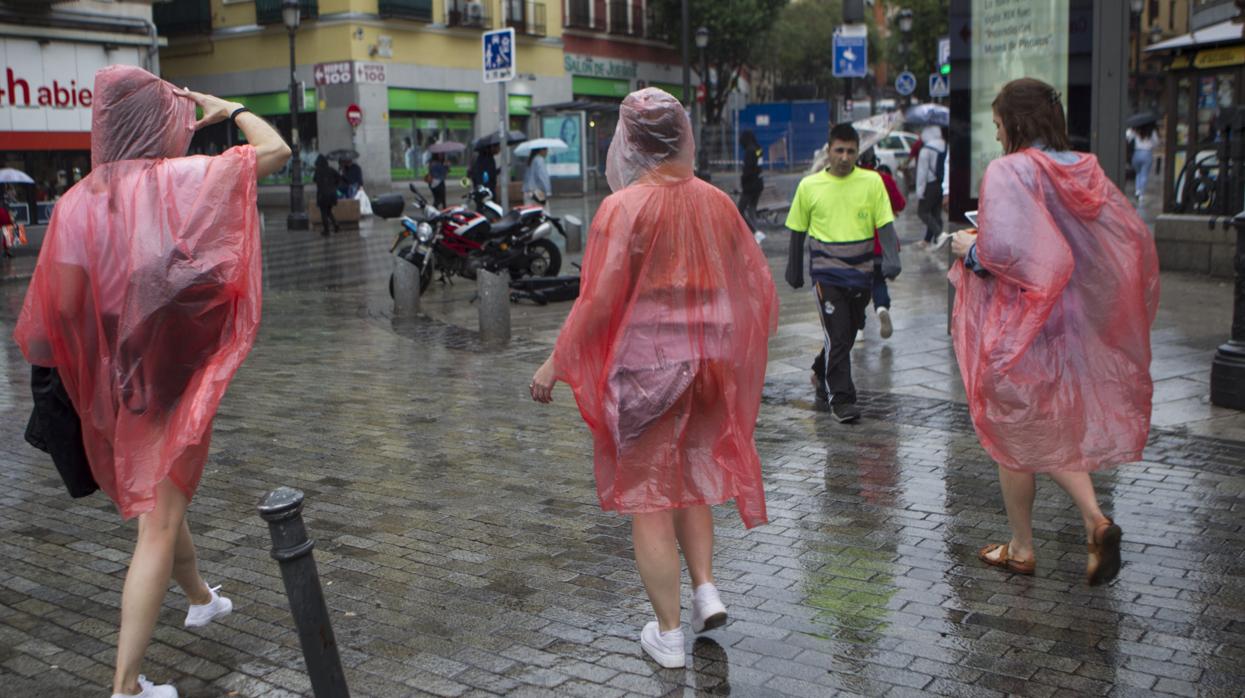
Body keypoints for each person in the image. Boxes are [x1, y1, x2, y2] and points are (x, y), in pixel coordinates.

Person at [13, 65, 291, 698]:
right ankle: (127, 686)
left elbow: (47, 325)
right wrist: (231, 107)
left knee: (161, 502)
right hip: (168, 378)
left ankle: (199, 598)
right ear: (157, 121)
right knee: (158, 524)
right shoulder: (182, 180)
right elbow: (276, 150)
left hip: (117, 385)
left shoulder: (77, 202)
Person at [528, 88, 778, 669]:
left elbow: (597, 301)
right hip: (709, 364)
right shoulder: (717, 202)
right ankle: (706, 588)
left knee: (648, 497)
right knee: (690, 476)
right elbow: (753, 285)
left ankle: (668, 635)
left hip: (646, 370)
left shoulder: (623, 208)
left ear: (632, 141)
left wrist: (556, 362)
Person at [948, 77, 1159, 586]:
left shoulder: (1009, 171)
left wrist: (969, 249)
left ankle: (1022, 546)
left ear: (1016, 123)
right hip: (1069, 323)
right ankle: (1096, 520)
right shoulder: (1082, 168)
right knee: (1046, 424)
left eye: (999, 125)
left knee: (1011, 430)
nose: (997, 136)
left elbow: (1010, 257)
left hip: (1021, 323)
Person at [785, 124, 902, 423]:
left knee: (849, 332)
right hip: (827, 275)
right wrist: (794, 268)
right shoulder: (809, 186)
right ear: (828, 151)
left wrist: (891, 258)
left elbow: (885, 223)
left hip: (861, 274)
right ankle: (842, 398)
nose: (845, 157)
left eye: (851, 151)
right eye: (839, 150)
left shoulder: (872, 182)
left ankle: (818, 370)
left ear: (857, 152)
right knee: (838, 334)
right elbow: (797, 229)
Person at [856, 150, 905, 342]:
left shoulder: (852, 182)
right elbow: (900, 203)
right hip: (881, 243)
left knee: (857, 287)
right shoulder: (884, 178)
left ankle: (858, 328)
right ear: (875, 160)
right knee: (878, 280)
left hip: (857, 242)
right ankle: (882, 307)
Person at [915, 124, 947, 247]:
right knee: (936, 213)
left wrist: (920, 191)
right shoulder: (945, 145)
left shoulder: (926, 149)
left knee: (922, 212)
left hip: (930, 185)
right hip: (941, 184)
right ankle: (930, 240)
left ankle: (940, 234)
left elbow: (922, 173)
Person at [1126, 122, 1160, 205]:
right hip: (1147, 153)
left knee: (1138, 173)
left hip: (1136, 153)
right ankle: (1141, 193)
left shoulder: (1136, 130)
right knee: (1144, 174)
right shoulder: (1151, 132)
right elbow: (1156, 143)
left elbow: (1128, 136)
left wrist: (1132, 129)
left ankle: (1137, 190)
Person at [736, 130, 764, 232]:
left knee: (740, 210)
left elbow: (748, 170)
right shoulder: (758, 149)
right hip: (759, 183)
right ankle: (755, 232)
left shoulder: (749, 151)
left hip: (750, 186)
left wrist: (743, 180)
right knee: (752, 209)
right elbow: (757, 166)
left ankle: (754, 232)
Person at [313, 154, 343, 235]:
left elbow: (315, 180)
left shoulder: (318, 171)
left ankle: (326, 230)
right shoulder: (331, 170)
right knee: (328, 211)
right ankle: (335, 224)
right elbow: (339, 178)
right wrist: (334, 186)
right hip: (332, 194)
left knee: (324, 213)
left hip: (323, 195)